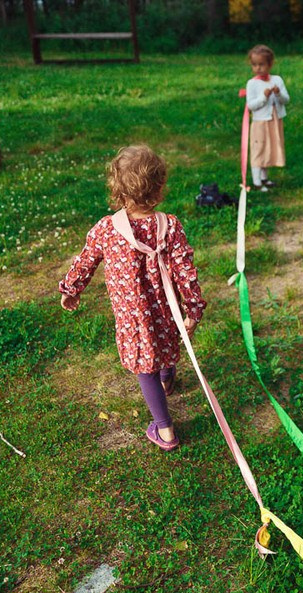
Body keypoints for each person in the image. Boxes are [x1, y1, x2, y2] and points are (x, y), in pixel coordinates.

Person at [58, 145, 207, 450]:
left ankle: (165, 429)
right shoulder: (169, 226)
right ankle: (168, 379)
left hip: (132, 319)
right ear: (160, 186)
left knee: (145, 365)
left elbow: (86, 260)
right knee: (166, 344)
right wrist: (192, 308)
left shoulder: (106, 230)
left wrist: (71, 288)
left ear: (116, 189)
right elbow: (185, 270)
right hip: (167, 310)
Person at [243, 44, 289, 191]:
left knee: (268, 149)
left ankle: (264, 178)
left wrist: (277, 94)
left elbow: (286, 100)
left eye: (261, 64)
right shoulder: (252, 83)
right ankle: (257, 182)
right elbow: (251, 105)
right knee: (259, 149)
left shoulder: (277, 80)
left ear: (270, 64)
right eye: (254, 65)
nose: (258, 68)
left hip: (274, 121)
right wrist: (264, 97)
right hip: (260, 122)